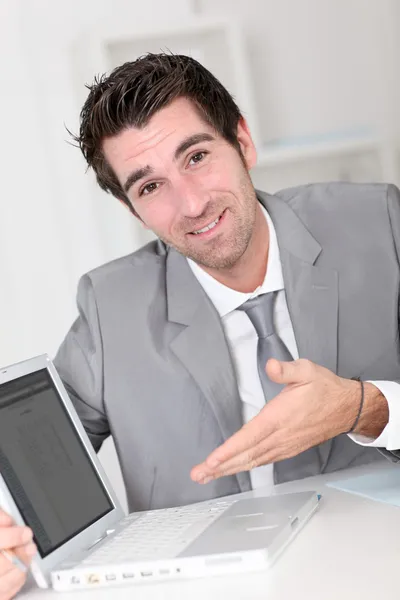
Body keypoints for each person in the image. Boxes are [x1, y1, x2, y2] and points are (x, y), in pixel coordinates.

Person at [1, 52, 400, 598]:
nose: (190, 204)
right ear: (132, 209)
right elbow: (34, 467)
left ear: (242, 142)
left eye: (196, 157)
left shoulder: (381, 225)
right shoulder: (109, 307)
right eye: (149, 186)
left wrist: (366, 407)